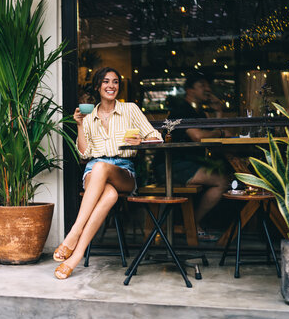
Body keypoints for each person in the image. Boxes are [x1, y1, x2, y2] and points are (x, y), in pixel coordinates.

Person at [53, 67, 163, 279]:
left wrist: (141, 141)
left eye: (115, 82)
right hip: (94, 174)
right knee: (109, 193)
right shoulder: (89, 115)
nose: (111, 86)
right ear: (98, 86)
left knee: (101, 166)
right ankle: (75, 258)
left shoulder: (130, 109)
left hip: (123, 171)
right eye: (106, 81)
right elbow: (84, 152)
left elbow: (156, 137)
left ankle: (74, 233)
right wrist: (80, 124)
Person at [160, 72, 232, 241]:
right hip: (172, 165)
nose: (208, 89)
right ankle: (191, 224)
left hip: (188, 163)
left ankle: (191, 223)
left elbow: (211, 134)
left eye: (208, 85)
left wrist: (218, 112)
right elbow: (199, 136)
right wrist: (220, 131)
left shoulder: (197, 111)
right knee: (222, 181)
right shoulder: (182, 109)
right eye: (202, 85)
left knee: (225, 177)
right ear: (189, 90)